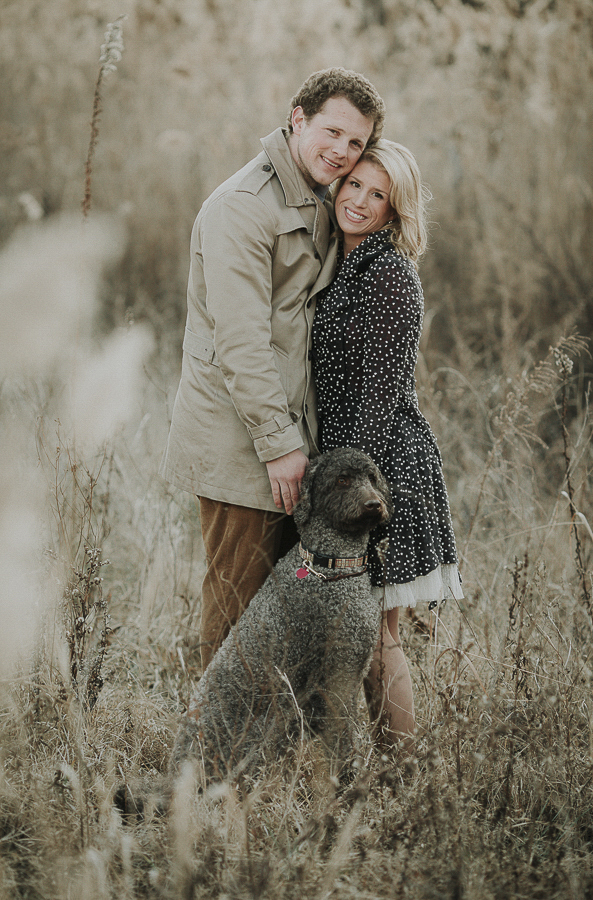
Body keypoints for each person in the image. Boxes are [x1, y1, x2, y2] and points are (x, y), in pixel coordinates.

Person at [160, 69, 386, 670]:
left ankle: (275, 756)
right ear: (297, 118)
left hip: (295, 438)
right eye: (331, 132)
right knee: (236, 611)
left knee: (287, 617)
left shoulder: (322, 197)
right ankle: (211, 756)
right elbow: (241, 344)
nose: (341, 151)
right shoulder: (241, 208)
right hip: (245, 440)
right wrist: (281, 445)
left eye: (356, 143)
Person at [312, 139, 463, 750]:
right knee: (359, 633)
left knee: (378, 634)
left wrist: (348, 494)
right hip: (352, 462)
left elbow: (379, 396)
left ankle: (405, 776)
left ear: (395, 209)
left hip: (379, 468)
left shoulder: (391, 274)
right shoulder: (345, 261)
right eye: (354, 186)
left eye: (379, 195)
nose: (360, 201)